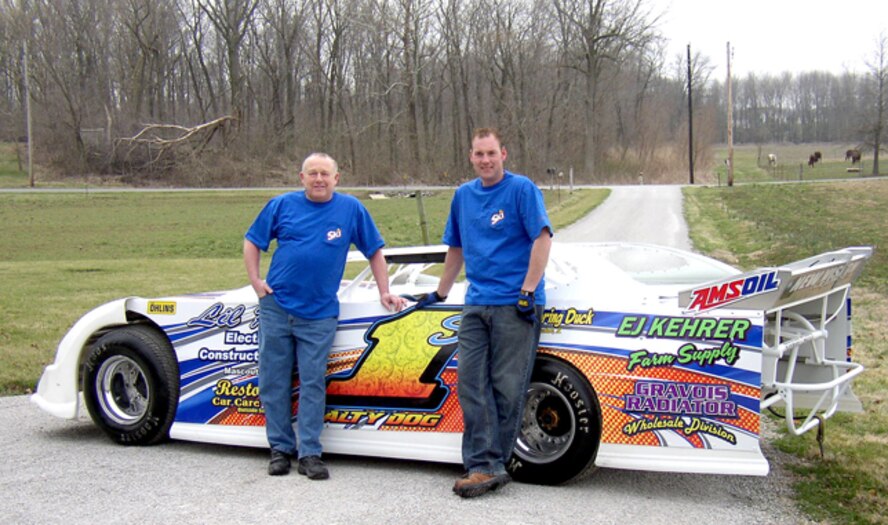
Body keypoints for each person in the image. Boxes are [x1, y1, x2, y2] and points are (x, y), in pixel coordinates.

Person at [244, 152, 405, 480]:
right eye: (312, 173)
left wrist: (384, 290)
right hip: (277, 308)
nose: (319, 179)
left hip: (318, 315)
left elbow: (374, 251)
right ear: (302, 178)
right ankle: (279, 449)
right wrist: (257, 282)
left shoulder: (351, 210)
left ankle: (310, 454)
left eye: (325, 174)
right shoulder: (281, 205)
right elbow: (251, 242)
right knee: (273, 381)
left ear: (336, 178)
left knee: (313, 383)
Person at [417, 127, 553, 498]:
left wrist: (527, 289)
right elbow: (456, 248)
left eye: (491, 153)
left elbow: (542, 238)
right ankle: (483, 463)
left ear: (503, 154)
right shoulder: (463, 196)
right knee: (470, 383)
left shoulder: (522, 189)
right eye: (479, 154)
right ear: (471, 156)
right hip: (477, 301)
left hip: (516, 303)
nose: (485, 160)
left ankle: (488, 465)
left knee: (506, 386)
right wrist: (441, 291)